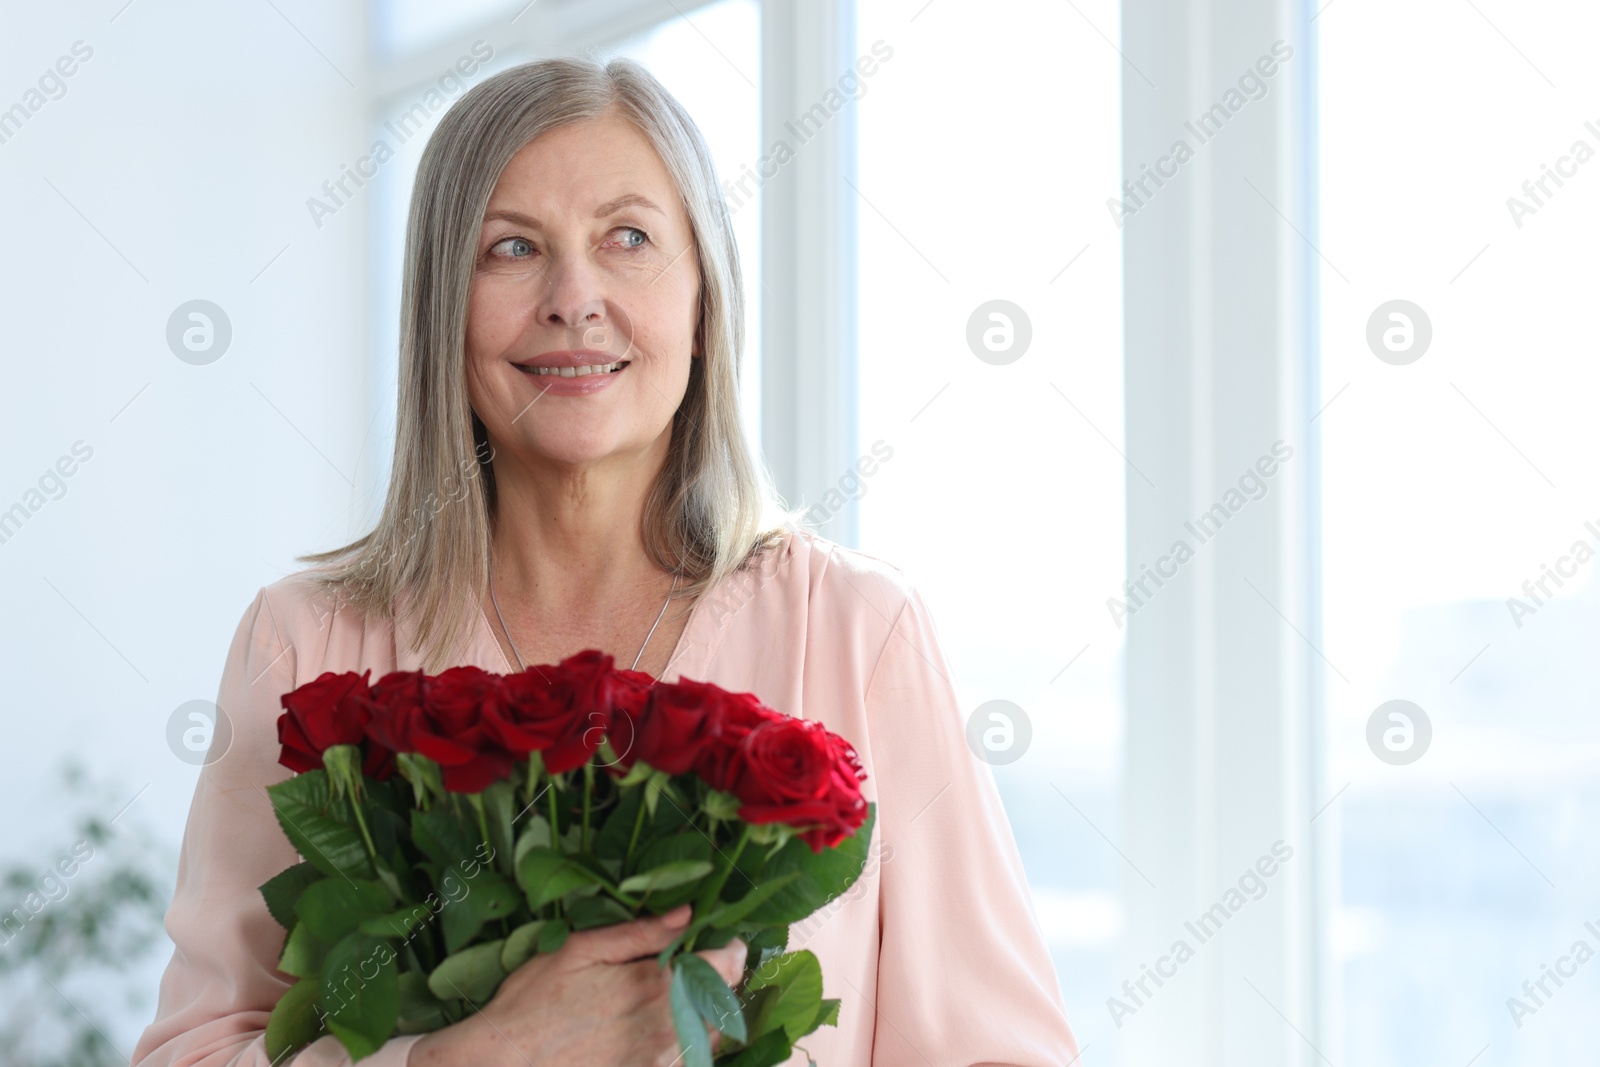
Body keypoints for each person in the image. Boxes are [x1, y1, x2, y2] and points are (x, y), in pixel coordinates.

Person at [132, 56, 1078, 1066]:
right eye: (510, 248)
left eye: (627, 238)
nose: (573, 297)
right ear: (440, 311)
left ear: (704, 298)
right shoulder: (305, 638)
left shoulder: (856, 629)